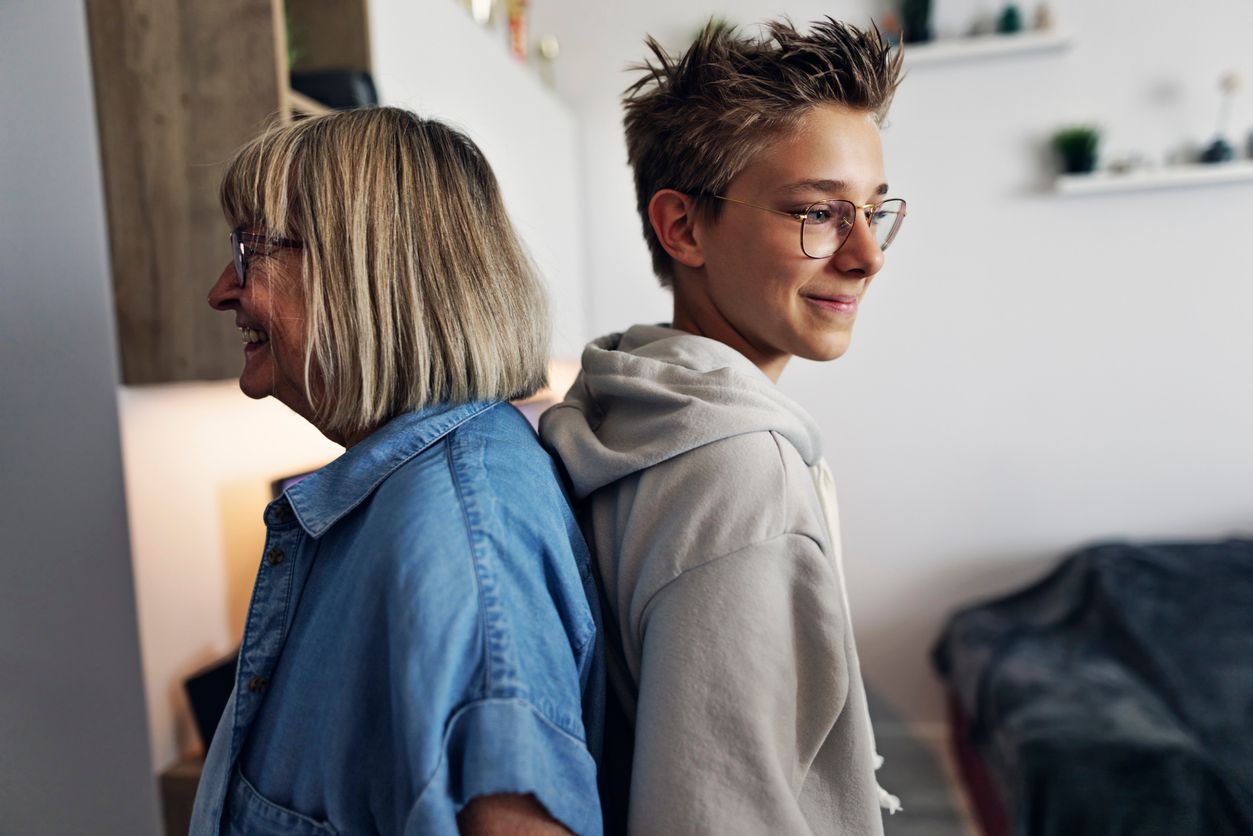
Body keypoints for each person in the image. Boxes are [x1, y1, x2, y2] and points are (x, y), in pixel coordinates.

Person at [190, 107, 603, 836]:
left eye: (250, 248)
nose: (222, 289)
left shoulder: (462, 546)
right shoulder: (402, 504)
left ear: (365, 270)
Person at [539, 18, 906, 835]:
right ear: (682, 228)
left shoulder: (622, 403)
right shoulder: (742, 477)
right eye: (817, 213)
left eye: (874, 212)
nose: (866, 256)